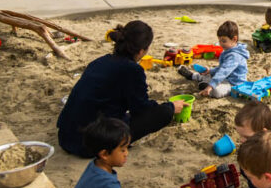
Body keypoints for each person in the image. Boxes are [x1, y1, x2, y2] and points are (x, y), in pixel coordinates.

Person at [56, 20, 183, 156]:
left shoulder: (100, 61)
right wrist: (170, 107)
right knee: (164, 113)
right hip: (89, 144)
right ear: (141, 51)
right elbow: (140, 109)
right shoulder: (132, 70)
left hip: (66, 136)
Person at [178, 20, 249, 98]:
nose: (221, 44)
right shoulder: (229, 50)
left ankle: (207, 86)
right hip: (225, 78)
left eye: (224, 41)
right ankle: (193, 76)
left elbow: (223, 71)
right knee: (210, 74)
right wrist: (210, 71)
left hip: (234, 83)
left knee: (217, 92)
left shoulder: (234, 56)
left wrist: (211, 86)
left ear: (234, 39)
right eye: (219, 41)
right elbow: (222, 68)